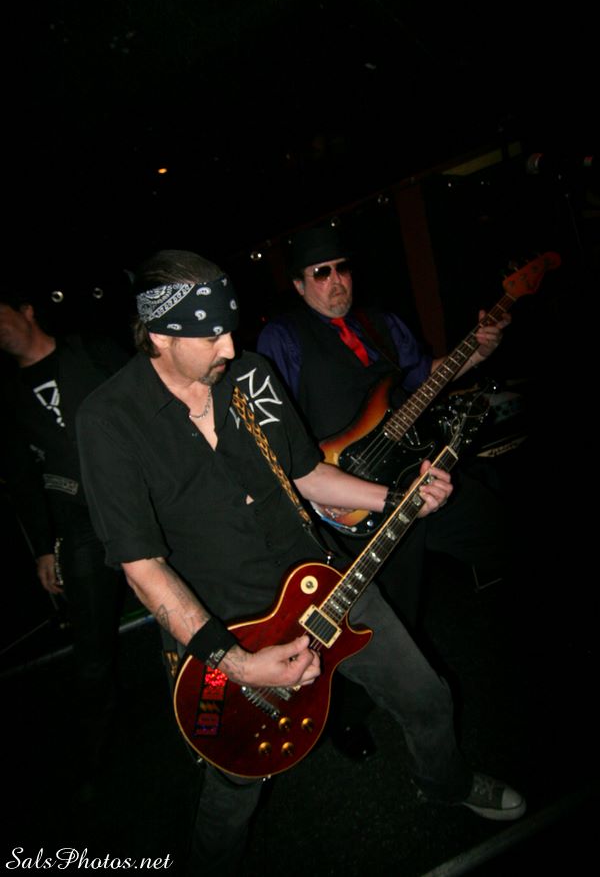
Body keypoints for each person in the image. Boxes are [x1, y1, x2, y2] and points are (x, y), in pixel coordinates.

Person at [76, 249, 525, 876]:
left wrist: (399, 499)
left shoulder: (250, 376)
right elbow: (141, 567)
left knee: (426, 695)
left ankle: (445, 783)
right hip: (224, 623)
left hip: (321, 580)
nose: (230, 347)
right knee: (235, 778)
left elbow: (308, 474)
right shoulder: (108, 420)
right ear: (158, 334)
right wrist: (236, 661)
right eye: (210, 336)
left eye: (230, 329)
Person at [257, 225, 513, 758]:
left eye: (342, 268)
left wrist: (477, 352)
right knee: (384, 621)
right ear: (299, 285)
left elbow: (423, 377)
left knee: (495, 525)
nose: (336, 281)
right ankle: (343, 716)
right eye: (320, 273)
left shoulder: (381, 323)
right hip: (352, 501)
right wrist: (310, 488)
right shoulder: (282, 338)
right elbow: (277, 430)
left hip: (416, 474)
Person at [0, 287, 131, 780]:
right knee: (91, 646)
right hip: (78, 522)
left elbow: (146, 399)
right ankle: (95, 752)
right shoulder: (9, 398)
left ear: (26, 310)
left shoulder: (90, 350)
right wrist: (41, 549)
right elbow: (22, 479)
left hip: (136, 497)